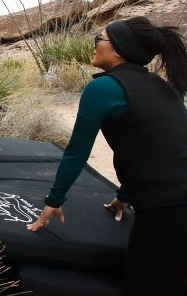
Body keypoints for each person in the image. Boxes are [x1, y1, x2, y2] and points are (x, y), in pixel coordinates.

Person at [26, 17, 187, 295]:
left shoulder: (104, 89)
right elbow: (160, 145)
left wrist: (54, 201)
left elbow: (77, 152)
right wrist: (126, 194)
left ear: (119, 50)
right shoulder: (162, 87)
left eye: (98, 38)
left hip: (168, 211)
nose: (94, 44)